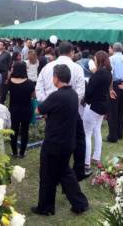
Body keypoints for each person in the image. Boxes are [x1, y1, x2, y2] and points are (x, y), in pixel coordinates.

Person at [32, 64, 88, 216]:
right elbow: (61, 113)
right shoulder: (73, 95)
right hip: (67, 142)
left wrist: (47, 114)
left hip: (54, 143)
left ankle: (45, 208)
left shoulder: (57, 95)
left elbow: (39, 109)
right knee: (65, 173)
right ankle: (80, 203)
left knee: (47, 175)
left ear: (56, 78)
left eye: (53, 76)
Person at [36, 41, 87, 181]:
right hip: (71, 110)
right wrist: (71, 106)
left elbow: (39, 88)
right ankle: (76, 170)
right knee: (77, 140)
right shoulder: (77, 68)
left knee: (53, 139)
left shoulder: (47, 67)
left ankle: (55, 169)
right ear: (71, 52)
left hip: (50, 111)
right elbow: (80, 92)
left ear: (58, 51)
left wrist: (46, 105)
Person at [82, 51, 112, 174]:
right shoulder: (108, 73)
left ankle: (86, 162)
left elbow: (89, 91)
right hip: (102, 105)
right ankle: (96, 157)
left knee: (87, 134)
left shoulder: (98, 74)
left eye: (95, 59)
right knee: (97, 131)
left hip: (93, 105)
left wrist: (85, 101)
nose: (93, 61)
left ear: (98, 60)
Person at [8, 62, 35, 158]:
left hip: (14, 109)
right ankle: (22, 153)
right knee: (24, 131)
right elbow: (33, 96)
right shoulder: (30, 83)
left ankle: (14, 152)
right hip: (26, 109)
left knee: (13, 131)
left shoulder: (10, 81)